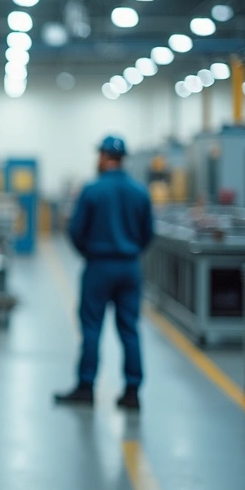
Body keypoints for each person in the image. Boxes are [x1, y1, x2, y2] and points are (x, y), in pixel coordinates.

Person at [55, 135, 154, 410]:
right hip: (130, 266)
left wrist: (90, 252)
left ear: (103, 157)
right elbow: (148, 234)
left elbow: (75, 231)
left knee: (91, 327)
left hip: (98, 266)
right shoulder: (139, 191)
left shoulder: (92, 190)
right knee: (129, 329)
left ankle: (86, 387)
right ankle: (132, 392)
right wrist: (130, 251)